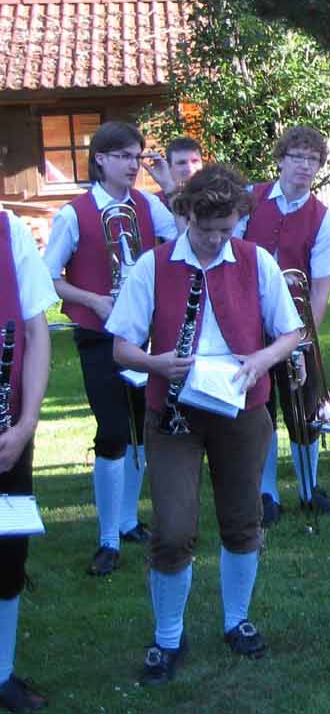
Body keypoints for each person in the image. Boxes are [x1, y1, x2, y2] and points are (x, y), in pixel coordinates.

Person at [108, 164, 303, 686]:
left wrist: (261, 361)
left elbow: (291, 332)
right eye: (206, 231)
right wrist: (157, 363)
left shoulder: (255, 260)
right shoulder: (152, 267)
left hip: (241, 408)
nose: (217, 241)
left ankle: (236, 621)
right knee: (172, 529)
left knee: (243, 521)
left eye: (227, 230)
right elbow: (121, 345)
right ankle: (168, 638)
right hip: (173, 410)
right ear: (184, 214)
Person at [44, 120, 178, 576]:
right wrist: (91, 299)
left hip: (141, 333)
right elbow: (49, 276)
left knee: (143, 427)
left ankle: (126, 522)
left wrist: (170, 186)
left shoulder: (146, 203)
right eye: (123, 156)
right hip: (98, 333)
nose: (132, 165)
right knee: (113, 430)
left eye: (136, 157)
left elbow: (184, 237)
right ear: (100, 158)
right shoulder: (74, 213)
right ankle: (106, 538)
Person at [235, 126, 330, 523]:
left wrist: (303, 342)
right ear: (280, 159)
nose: (304, 166)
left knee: (305, 409)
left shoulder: (323, 220)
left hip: (298, 329)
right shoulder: (250, 200)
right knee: (259, 410)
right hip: (249, 327)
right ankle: (266, 495)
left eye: (312, 160)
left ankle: (306, 487)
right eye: (297, 157)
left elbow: (320, 289)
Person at [0, 209, 56, 712]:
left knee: (7, 552)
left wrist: (26, 425)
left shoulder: (8, 229)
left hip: (7, 432)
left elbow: (38, 333)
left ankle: (1, 671)